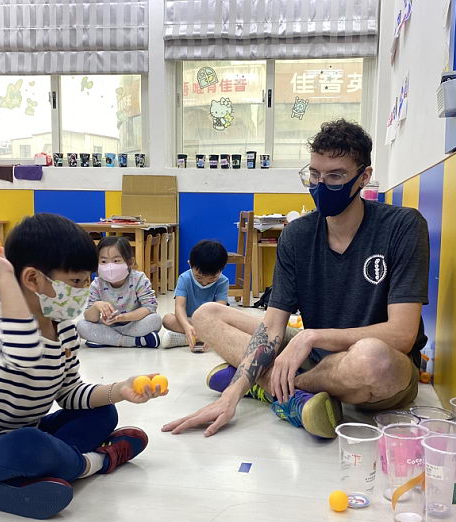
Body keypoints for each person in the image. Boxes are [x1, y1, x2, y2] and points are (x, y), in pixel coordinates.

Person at [163, 119, 429, 439]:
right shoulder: (297, 235)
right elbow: (272, 326)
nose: (321, 185)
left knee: (371, 358)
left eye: (336, 176)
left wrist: (311, 337)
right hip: (315, 356)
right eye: (314, 175)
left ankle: (273, 387)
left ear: (364, 176)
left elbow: (401, 335)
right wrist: (230, 396)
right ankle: (286, 393)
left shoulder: (402, 226)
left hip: (376, 365)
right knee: (207, 314)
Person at [0, 214, 166, 519]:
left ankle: (28, 480)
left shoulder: (63, 327)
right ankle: (96, 461)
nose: (83, 290)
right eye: (76, 282)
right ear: (32, 279)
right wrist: (3, 277)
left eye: (86, 281)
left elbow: (69, 393)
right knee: (31, 444)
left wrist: (120, 389)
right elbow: (24, 353)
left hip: (27, 431)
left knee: (103, 412)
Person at [77, 236, 162, 348]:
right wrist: (96, 306)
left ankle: (107, 339)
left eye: (116, 261)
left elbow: (150, 307)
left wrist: (123, 317)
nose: (110, 266)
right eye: (103, 261)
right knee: (81, 326)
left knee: (155, 320)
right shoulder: (97, 284)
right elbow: (90, 318)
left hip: (133, 323)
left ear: (130, 262)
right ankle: (135, 341)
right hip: (108, 326)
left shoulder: (138, 279)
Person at [160, 240, 229, 350]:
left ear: (223, 268)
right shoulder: (184, 278)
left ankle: (186, 338)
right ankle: (198, 336)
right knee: (167, 319)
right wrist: (186, 326)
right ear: (190, 264)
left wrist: (209, 328)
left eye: (212, 279)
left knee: (232, 326)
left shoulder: (223, 281)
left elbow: (219, 310)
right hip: (189, 320)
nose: (205, 282)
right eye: (199, 277)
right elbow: (180, 306)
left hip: (210, 322)